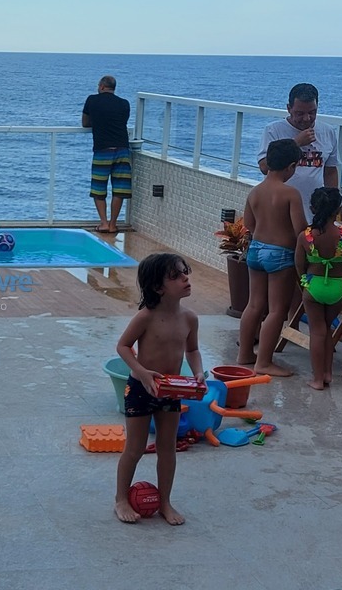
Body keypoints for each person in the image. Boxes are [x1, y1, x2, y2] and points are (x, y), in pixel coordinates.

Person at [113, 252, 203, 525]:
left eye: (185, 272)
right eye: (176, 276)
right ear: (158, 287)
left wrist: (198, 372)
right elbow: (123, 346)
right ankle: (120, 499)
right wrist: (140, 373)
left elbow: (193, 349)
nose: (186, 278)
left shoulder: (189, 318)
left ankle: (165, 501)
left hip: (170, 390)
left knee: (168, 448)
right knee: (135, 448)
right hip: (142, 389)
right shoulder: (146, 317)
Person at [237, 139, 307, 377]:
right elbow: (300, 229)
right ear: (291, 167)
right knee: (277, 309)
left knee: (254, 304)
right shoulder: (290, 193)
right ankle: (264, 362)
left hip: (256, 250)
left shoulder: (255, 192)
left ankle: (245, 353)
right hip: (280, 254)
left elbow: (248, 225)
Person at [295, 187, 342, 391]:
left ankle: (317, 379)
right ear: (337, 209)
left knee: (317, 332)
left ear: (312, 208)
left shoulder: (306, 236)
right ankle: (328, 373)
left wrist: (305, 280)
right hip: (338, 286)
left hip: (314, 285)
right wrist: (341, 272)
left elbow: (299, 264)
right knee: (327, 330)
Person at [257, 83, 340, 204]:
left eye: (312, 112)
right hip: (279, 207)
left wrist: (332, 204)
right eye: (300, 113)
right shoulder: (273, 130)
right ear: (289, 109)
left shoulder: (328, 132)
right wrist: (295, 144)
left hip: (314, 209)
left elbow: (330, 171)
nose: (307, 118)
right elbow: (264, 167)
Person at [81, 75, 132, 234]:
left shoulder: (92, 100)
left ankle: (103, 222)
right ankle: (113, 224)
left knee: (99, 188)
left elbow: (85, 123)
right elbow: (123, 122)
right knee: (119, 189)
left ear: (102, 86)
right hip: (122, 149)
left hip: (103, 149)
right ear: (113, 88)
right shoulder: (124, 104)